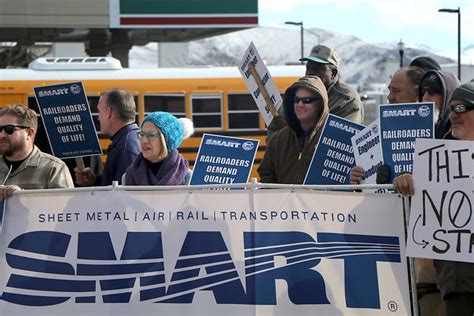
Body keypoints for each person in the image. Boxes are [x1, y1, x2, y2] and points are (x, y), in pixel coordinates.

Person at [393, 82, 474, 316]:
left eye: (463, 108)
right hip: (455, 283)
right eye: (452, 108)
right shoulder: (437, 161)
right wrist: (407, 181)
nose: (455, 115)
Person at [267, 45, 362, 137]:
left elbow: (338, 140)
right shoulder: (297, 93)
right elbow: (275, 130)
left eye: (317, 68)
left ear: (333, 73)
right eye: (308, 67)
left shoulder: (347, 99)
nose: (310, 73)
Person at [258, 76, 329, 184]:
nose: (300, 104)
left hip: (321, 200)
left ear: (320, 104)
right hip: (284, 200)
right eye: (296, 100)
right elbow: (267, 174)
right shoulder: (278, 139)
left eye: (307, 100)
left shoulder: (333, 138)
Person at [0, 104, 73, 198]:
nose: (2, 135)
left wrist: (22, 196)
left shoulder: (53, 168)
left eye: (9, 129)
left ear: (29, 133)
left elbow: (66, 208)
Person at [75, 88, 140, 186]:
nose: (98, 118)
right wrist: (95, 180)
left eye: (99, 111)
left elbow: (123, 193)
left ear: (108, 112)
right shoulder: (130, 140)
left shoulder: (125, 148)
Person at [123, 112, 193, 185]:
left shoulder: (188, 178)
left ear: (166, 141)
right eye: (142, 134)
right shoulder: (128, 176)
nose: (144, 141)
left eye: (151, 135)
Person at [418, 70, 460, 139]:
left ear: (448, 96)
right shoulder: (414, 129)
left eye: (432, 91)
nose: (425, 98)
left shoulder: (463, 131)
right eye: (423, 92)